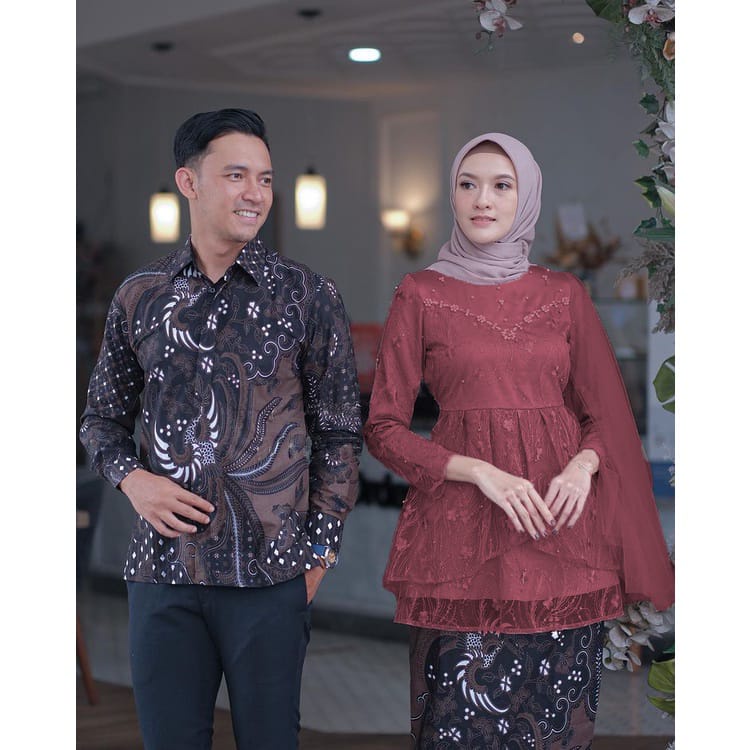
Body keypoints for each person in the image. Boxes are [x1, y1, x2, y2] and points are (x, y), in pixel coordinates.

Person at [363, 133, 674, 749]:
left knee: (553, 726)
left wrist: (584, 465)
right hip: (461, 542)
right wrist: (477, 470)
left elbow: (605, 415)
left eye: (501, 185)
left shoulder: (564, 295)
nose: (483, 199)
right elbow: (383, 428)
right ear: (453, 195)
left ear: (525, 196)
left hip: (564, 536)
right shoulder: (420, 293)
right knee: (460, 727)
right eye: (468, 184)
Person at [79, 108, 362, 750]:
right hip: (162, 573)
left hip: (271, 576)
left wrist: (319, 552)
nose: (254, 192)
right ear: (189, 182)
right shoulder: (139, 296)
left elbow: (341, 432)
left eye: (265, 178)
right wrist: (135, 482)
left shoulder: (308, 296)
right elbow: (100, 421)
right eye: (236, 175)